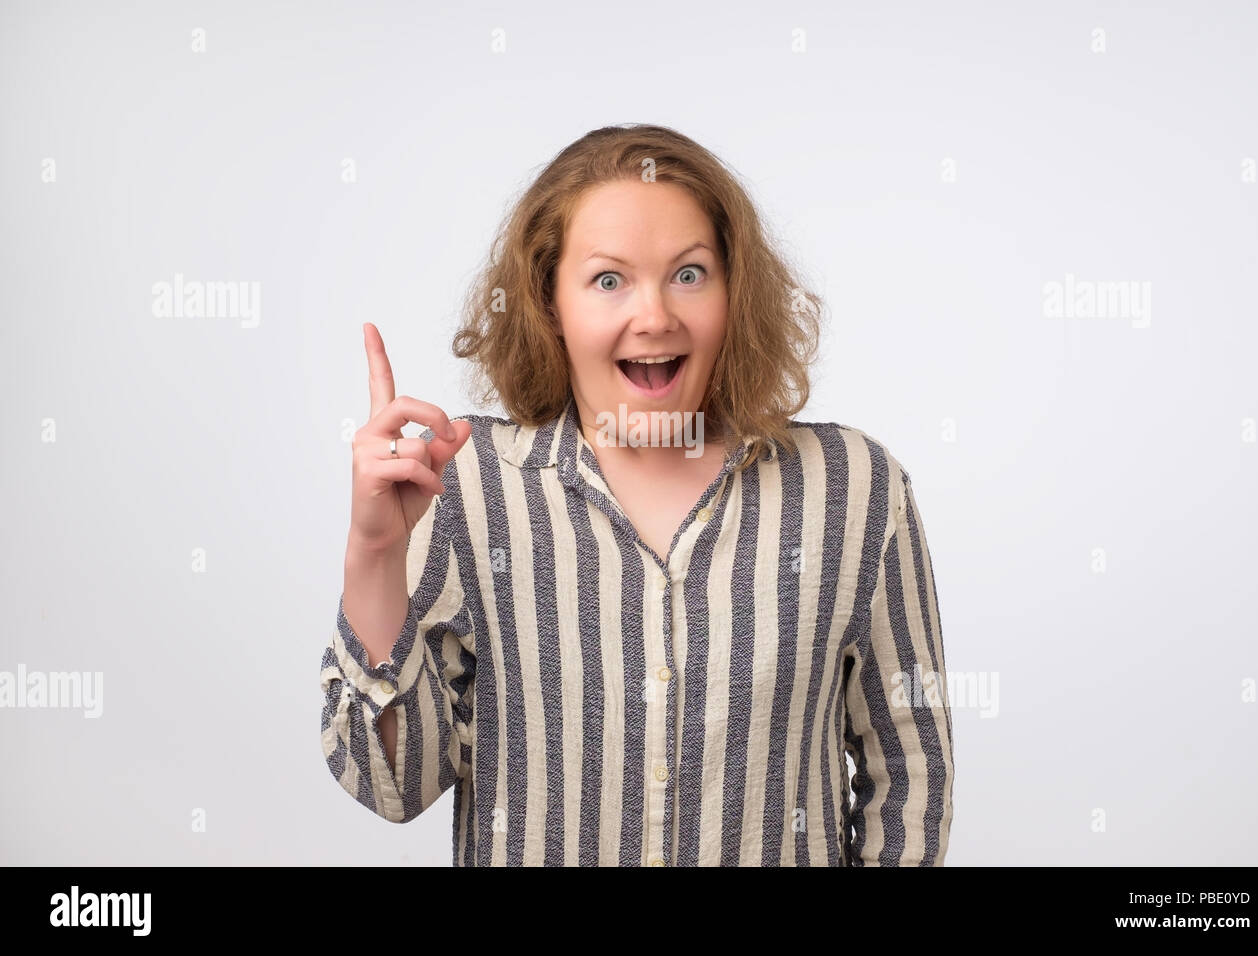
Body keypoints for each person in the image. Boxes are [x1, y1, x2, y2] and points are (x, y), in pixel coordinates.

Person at [319, 124, 953, 866]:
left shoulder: (852, 489)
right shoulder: (466, 485)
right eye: (609, 280)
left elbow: (913, 777)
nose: (654, 316)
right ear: (549, 304)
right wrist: (374, 554)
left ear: (734, 291)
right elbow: (391, 785)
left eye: (689, 273)